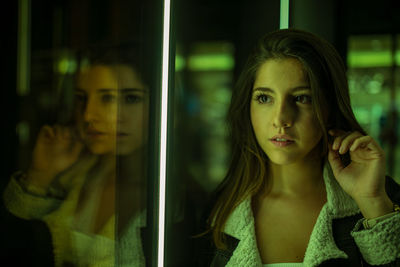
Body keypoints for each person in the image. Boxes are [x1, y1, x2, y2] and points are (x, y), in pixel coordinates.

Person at [199, 29, 400, 266]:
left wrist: (373, 201)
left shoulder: (381, 197)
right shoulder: (217, 210)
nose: (281, 119)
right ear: (248, 106)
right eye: (264, 98)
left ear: (329, 108)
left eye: (302, 98)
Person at [2, 46, 150, 267]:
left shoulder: (175, 201)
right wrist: (40, 177)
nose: (89, 115)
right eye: (82, 98)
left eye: (127, 98)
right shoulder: (75, 177)